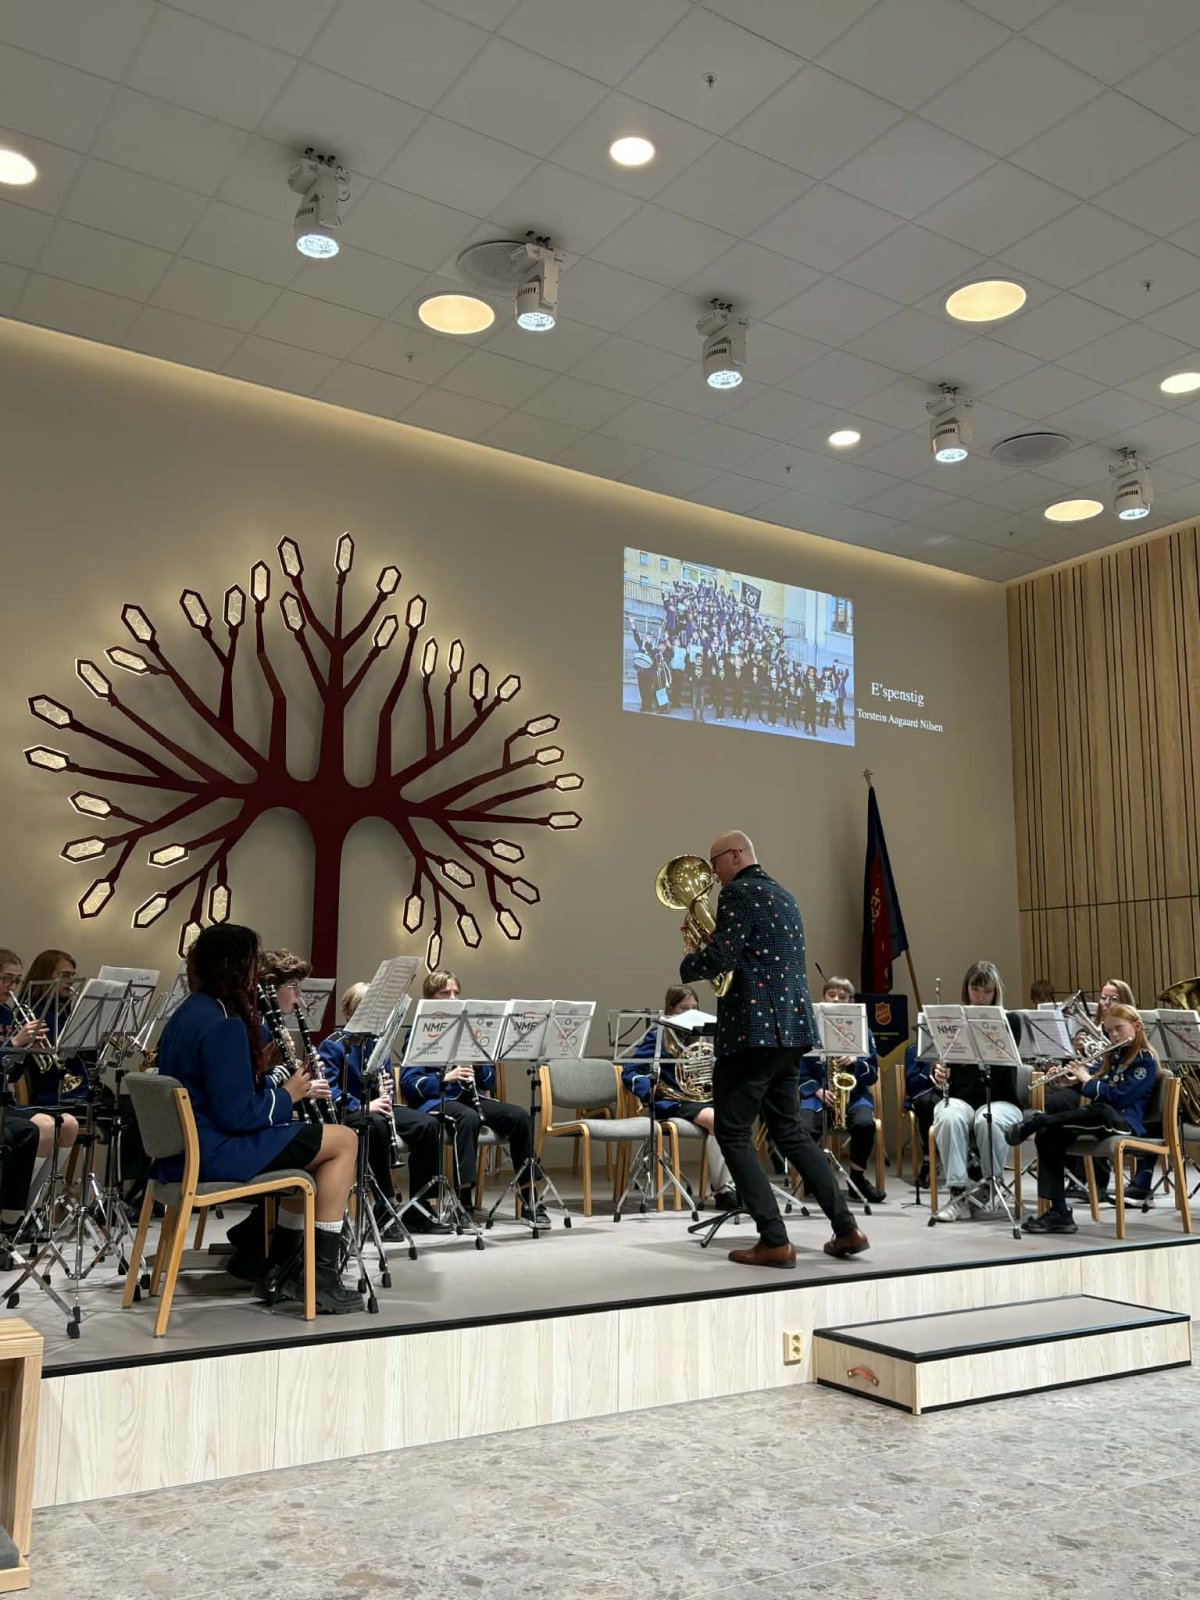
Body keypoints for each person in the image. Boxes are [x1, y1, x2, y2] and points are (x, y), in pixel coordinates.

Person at [679, 831, 867, 1267]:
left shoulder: (737, 894)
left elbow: (724, 959)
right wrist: (716, 942)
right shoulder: (784, 895)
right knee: (789, 1130)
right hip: (792, 1030)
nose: (713, 874)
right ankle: (847, 1229)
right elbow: (755, 955)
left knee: (731, 1132)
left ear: (735, 855)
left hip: (753, 1031)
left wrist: (691, 958)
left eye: (715, 863)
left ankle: (774, 1238)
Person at [155, 924, 363, 1314]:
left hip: (182, 1154)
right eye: (252, 965)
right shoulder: (224, 1023)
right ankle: (319, 1277)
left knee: (306, 1146)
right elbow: (237, 1115)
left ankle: (278, 1267)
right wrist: (289, 1095)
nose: (255, 977)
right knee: (343, 1140)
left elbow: (219, 1091)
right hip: (214, 1152)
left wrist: (265, 1076)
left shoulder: (188, 1013)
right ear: (235, 968)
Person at [399, 970, 547, 1225]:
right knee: (467, 1118)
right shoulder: (418, 1031)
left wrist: (478, 1065)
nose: (453, 998)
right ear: (430, 998)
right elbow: (409, 1084)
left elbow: (488, 1082)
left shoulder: (469, 1030)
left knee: (520, 1116)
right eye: (445, 993)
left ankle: (528, 1197)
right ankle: (463, 1202)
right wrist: (446, 1078)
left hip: (469, 1098)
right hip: (435, 1102)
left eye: (456, 992)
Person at [1007, 1004, 1157, 1235]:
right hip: (1101, 1121)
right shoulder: (1114, 1055)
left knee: (1102, 1111)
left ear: (1137, 1027)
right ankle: (1059, 1213)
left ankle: (1038, 1121)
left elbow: (1120, 1097)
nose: (1114, 1035)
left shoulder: (1145, 1061)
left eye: (1118, 1028)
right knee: (1049, 1135)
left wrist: (1086, 1079)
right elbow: (1094, 1078)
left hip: (1125, 1124)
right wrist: (1069, 1080)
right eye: (1109, 1031)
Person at [317, 982, 448, 1236]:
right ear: (347, 1012)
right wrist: (364, 1105)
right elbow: (328, 1092)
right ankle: (383, 1204)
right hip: (347, 1112)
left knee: (428, 1124)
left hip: (375, 1107)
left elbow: (385, 1084)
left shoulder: (378, 1043)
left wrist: (385, 1092)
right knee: (375, 1125)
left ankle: (419, 1207)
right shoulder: (333, 1045)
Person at [620, 984, 736, 1210]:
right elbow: (631, 1071)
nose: (691, 1012)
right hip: (673, 1100)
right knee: (717, 1120)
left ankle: (732, 1187)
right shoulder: (659, 1035)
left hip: (702, 1099)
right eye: (684, 1008)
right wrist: (647, 1089)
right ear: (671, 1008)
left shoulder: (703, 1036)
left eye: (694, 1007)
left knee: (736, 1118)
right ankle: (723, 1191)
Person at [932, 961, 1023, 1222]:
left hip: (1001, 1099)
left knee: (987, 1119)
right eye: (975, 989)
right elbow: (944, 1062)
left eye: (987, 991)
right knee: (948, 1116)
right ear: (966, 989)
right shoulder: (952, 1020)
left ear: (996, 992)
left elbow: (1003, 1065)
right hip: (961, 1098)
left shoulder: (1010, 1020)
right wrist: (940, 1073)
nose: (981, 997)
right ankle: (957, 1193)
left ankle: (989, 1185)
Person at [0, 948, 80, 1238]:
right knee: (43, 1126)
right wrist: (14, 1043)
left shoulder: (9, 1014)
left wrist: (27, 1051)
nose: (12, 987)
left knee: (69, 1124)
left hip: (5, 1100)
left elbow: (12, 1075)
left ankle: (30, 1211)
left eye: (17, 980)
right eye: (6, 979)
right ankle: (11, 1214)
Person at [800, 975, 885, 1204]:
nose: (837, 999)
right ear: (823, 998)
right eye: (832, 995)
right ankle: (814, 1178)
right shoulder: (810, 1029)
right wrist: (817, 1091)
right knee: (804, 1127)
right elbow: (799, 1071)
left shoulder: (864, 1032)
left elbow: (872, 1074)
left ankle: (857, 1178)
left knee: (865, 1124)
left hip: (854, 1096)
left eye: (843, 996)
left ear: (851, 1002)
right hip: (817, 1095)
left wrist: (856, 1062)